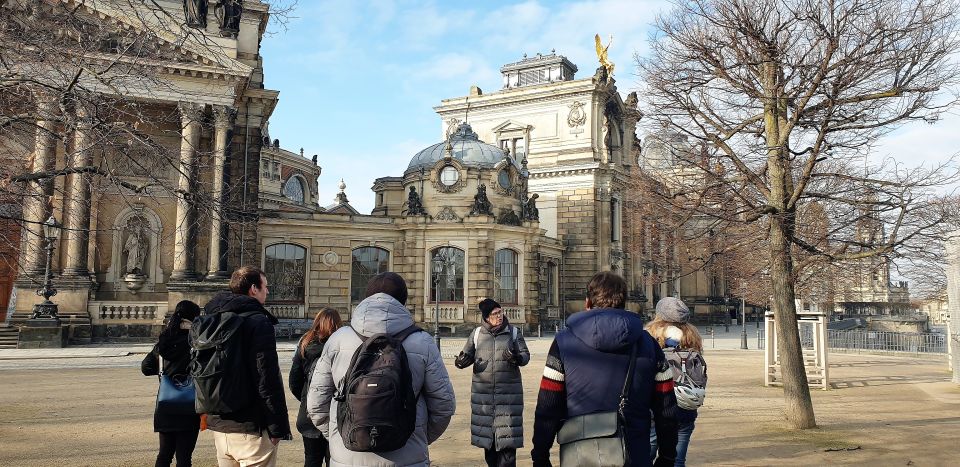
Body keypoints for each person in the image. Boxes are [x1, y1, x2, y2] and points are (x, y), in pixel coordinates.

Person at [307, 272, 456, 466]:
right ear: (403, 301)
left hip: (347, 455)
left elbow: (316, 403)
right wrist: (415, 437)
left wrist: (339, 434)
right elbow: (443, 405)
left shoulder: (338, 339)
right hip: (407, 455)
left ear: (366, 299)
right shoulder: (423, 342)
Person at [531, 272, 679, 467]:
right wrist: (667, 456)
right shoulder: (649, 344)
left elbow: (548, 405)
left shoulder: (563, 342)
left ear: (587, 302)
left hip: (579, 453)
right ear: (624, 303)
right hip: (633, 452)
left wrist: (540, 456)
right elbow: (666, 407)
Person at [203, 266, 291, 467]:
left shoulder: (212, 318)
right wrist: (278, 427)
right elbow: (266, 379)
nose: (267, 291)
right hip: (251, 428)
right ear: (253, 289)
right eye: (265, 287)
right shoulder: (258, 322)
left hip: (219, 425)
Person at [454, 298, 531, 467]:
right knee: (489, 451)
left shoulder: (514, 333)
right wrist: (461, 362)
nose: (499, 315)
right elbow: (465, 356)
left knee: (507, 451)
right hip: (484, 401)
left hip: (508, 400)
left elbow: (526, 356)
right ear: (486, 317)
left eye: (500, 311)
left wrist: (517, 358)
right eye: (495, 313)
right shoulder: (476, 334)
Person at [646, 298, 707, 467]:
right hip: (685, 406)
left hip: (656, 408)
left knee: (645, 457)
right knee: (677, 460)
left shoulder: (651, 335)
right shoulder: (693, 336)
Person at [141, 300, 202, 467]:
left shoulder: (164, 342)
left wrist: (166, 373)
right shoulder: (197, 343)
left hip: (166, 403)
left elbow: (146, 368)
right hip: (189, 404)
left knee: (164, 454)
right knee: (184, 457)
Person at [289, 308, 343, 467]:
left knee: (311, 460)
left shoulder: (304, 344)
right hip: (335, 414)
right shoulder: (341, 346)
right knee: (334, 460)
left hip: (309, 415)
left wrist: (307, 398)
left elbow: (294, 381)